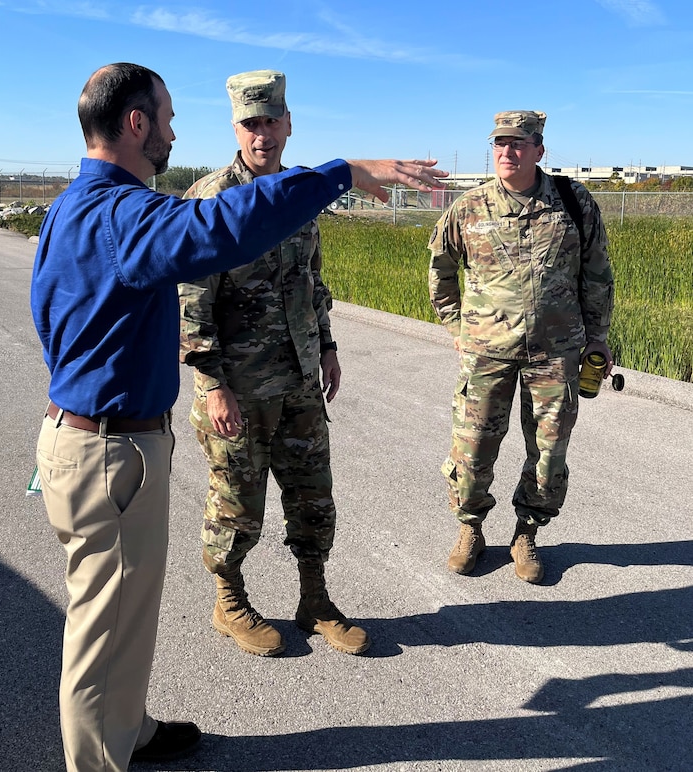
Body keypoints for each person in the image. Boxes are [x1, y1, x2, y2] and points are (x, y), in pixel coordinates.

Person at [31, 61, 446, 772]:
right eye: (164, 118)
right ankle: (100, 757)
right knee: (103, 634)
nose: (170, 131)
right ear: (136, 124)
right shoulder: (121, 214)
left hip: (99, 437)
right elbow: (221, 226)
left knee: (127, 620)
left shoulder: (76, 207)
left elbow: (51, 320)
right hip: (107, 450)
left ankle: (128, 729)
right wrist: (340, 171)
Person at [179, 70, 368, 659]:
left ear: (288, 124)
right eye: (250, 124)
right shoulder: (212, 199)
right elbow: (190, 300)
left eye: (271, 122)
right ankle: (228, 600)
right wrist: (212, 385)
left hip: (299, 379)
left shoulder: (299, 192)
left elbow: (312, 280)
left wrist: (329, 347)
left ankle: (314, 599)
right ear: (236, 127)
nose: (262, 134)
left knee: (313, 496)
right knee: (237, 498)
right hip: (236, 386)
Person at [428, 110, 614, 584]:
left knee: (549, 454)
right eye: (499, 144)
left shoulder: (573, 202)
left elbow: (596, 274)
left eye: (518, 144)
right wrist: (457, 326)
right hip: (487, 352)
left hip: (556, 354)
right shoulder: (468, 209)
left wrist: (598, 337)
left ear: (539, 150)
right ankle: (470, 528)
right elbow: (440, 272)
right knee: (473, 451)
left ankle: (527, 532)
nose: (506, 152)